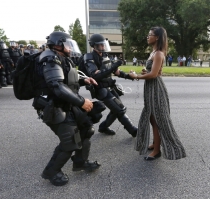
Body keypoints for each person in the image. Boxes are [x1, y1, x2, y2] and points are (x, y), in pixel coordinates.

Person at [32, 31, 101, 186]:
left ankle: (80, 162)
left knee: (86, 129)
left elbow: (67, 81)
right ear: (58, 44)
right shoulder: (49, 59)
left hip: (66, 103)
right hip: (53, 106)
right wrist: (82, 102)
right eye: (67, 44)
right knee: (69, 141)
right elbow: (56, 86)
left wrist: (84, 81)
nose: (70, 47)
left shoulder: (61, 58)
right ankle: (51, 172)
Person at [129, 26, 186, 160]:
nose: (148, 37)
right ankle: (155, 143)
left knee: (157, 120)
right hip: (150, 88)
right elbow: (154, 72)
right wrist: (145, 72)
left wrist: (136, 76)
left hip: (156, 89)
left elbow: (154, 75)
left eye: (150, 34)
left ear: (157, 37)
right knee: (151, 117)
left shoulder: (159, 53)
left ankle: (157, 151)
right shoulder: (153, 53)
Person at [81, 33, 137, 137]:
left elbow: (116, 72)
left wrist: (130, 76)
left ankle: (103, 127)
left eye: (103, 44)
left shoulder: (105, 56)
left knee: (118, 109)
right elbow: (96, 76)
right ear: (94, 45)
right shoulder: (89, 57)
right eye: (100, 45)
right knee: (120, 110)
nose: (103, 46)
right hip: (101, 89)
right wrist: (112, 68)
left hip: (110, 87)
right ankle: (133, 130)